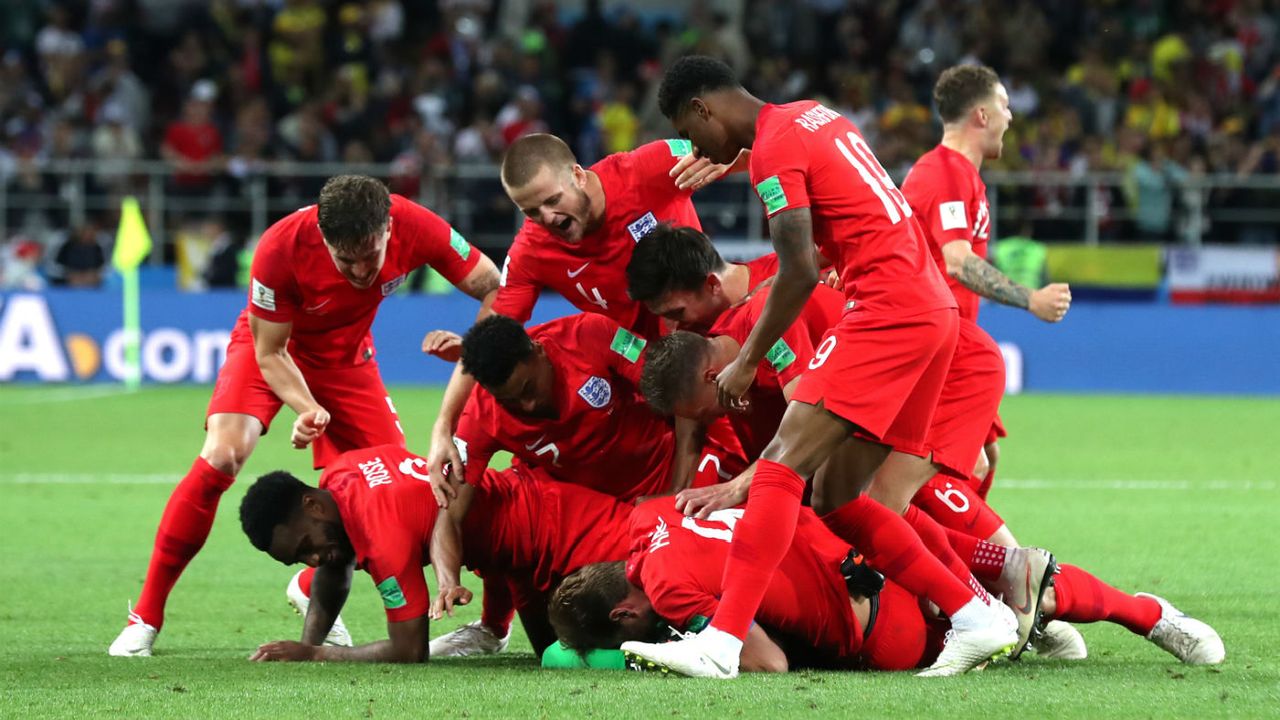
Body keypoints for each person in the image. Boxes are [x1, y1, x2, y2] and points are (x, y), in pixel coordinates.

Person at [622, 56, 1012, 678]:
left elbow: (798, 270)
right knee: (836, 496)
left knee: (781, 463)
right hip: (931, 307)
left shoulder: (775, 151)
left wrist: (748, 360)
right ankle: (974, 614)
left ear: (703, 108)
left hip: (888, 307)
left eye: (694, 134)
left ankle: (721, 644)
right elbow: (848, 218)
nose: (700, 149)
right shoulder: (815, 116)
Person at [108, 176, 501, 657]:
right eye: (345, 259)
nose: (360, 270)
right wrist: (308, 407)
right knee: (224, 454)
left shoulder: (417, 225)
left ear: (389, 229)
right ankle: (145, 616)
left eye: (369, 256)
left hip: (349, 360)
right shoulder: (280, 247)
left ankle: (310, 583)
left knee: (395, 496)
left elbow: (494, 286)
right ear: (322, 235)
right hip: (273, 349)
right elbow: (269, 351)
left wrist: (474, 350)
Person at [423, 133, 744, 512]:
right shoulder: (533, 250)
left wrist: (734, 160)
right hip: (655, 377)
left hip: (726, 338)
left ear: (577, 175)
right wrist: (443, 426)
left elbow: (753, 149)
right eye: (531, 212)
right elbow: (487, 338)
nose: (547, 219)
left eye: (552, 200)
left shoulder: (644, 169)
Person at [551, 498, 1225, 672]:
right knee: (1006, 572)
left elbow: (767, 663)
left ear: (625, 612)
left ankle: (1027, 622)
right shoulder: (656, 519)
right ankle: (1143, 614)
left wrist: (665, 650)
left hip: (880, 626)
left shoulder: (667, 595)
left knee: (1015, 606)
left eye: (637, 631)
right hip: (873, 540)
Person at [239, 444, 633, 662]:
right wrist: (307, 643)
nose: (312, 562)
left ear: (313, 506)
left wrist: (316, 655)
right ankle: (492, 630)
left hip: (565, 530)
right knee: (555, 659)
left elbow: (408, 650)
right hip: (519, 562)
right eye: (299, 560)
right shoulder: (341, 473)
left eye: (307, 547)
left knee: (646, 616)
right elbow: (335, 565)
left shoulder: (383, 538)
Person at [900, 64, 1073, 501]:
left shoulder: (962, 177)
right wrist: (1030, 298)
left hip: (954, 340)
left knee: (986, 456)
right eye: (1004, 105)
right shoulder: (944, 173)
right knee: (960, 464)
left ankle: (949, 553)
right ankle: (897, 550)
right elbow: (957, 262)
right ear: (981, 115)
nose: (1010, 116)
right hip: (935, 342)